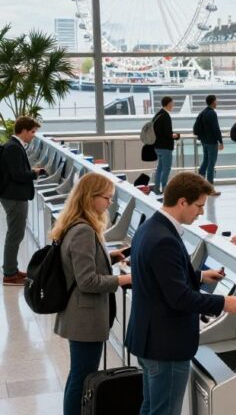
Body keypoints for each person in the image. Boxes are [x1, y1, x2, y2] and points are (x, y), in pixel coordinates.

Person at [126, 172, 236, 415]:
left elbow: (160, 278)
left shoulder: (150, 227)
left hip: (148, 339)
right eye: (199, 206)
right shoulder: (165, 240)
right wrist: (223, 302)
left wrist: (201, 276)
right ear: (182, 202)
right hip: (166, 346)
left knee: (151, 408)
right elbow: (179, 298)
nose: (201, 212)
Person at [51, 173, 132, 415]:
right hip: (84, 317)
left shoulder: (77, 225)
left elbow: (85, 266)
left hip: (81, 315)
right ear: (90, 198)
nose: (109, 203)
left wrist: (114, 256)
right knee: (82, 377)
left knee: (78, 374)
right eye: (107, 198)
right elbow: (87, 281)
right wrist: (125, 279)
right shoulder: (83, 231)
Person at [2, 116, 45, 285]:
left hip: (13, 195)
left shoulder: (14, 146)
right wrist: (34, 173)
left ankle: (11, 269)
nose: (33, 135)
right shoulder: (13, 148)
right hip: (14, 197)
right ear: (24, 131)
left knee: (15, 233)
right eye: (32, 132)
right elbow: (18, 175)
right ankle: (9, 274)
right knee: (15, 234)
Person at [194, 94, 223, 195]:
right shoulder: (212, 113)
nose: (217, 102)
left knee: (205, 162)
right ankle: (210, 189)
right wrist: (221, 141)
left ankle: (198, 185)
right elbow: (216, 128)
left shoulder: (203, 112)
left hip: (204, 141)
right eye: (216, 101)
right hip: (211, 142)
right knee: (211, 165)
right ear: (213, 102)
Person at [151, 97, 180, 195]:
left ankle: (156, 188)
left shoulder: (157, 115)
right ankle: (164, 188)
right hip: (165, 147)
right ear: (168, 104)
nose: (173, 105)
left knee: (160, 168)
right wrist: (176, 136)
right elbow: (168, 133)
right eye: (172, 103)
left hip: (157, 146)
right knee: (166, 168)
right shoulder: (166, 116)